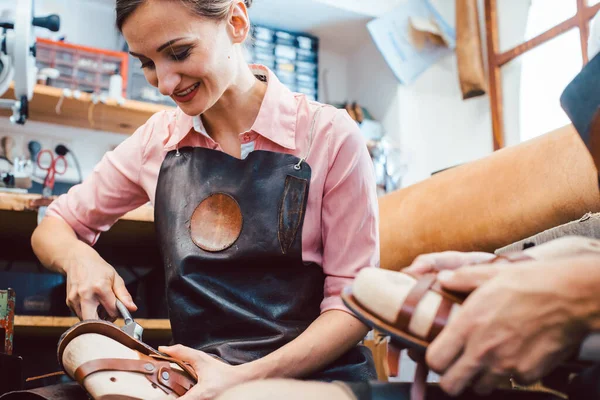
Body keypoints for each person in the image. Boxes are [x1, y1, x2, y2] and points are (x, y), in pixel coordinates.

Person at [30, 0, 380, 398]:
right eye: (146, 62)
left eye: (178, 53)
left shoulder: (330, 136)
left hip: (314, 382)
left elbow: (352, 306)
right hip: (200, 383)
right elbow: (53, 225)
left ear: (235, 22)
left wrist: (242, 380)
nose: (163, 83)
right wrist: (79, 258)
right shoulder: (157, 141)